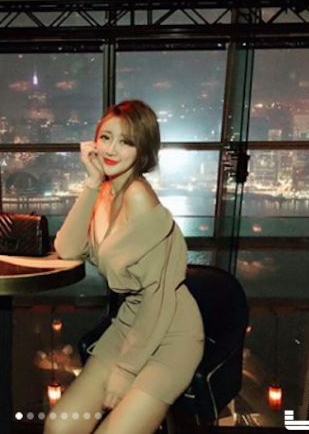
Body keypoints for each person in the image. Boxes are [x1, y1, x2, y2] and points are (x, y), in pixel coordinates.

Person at [45, 100, 205, 434]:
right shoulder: (104, 193)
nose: (111, 149)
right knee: (60, 428)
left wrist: (126, 371)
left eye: (126, 141)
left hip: (170, 332)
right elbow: (68, 248)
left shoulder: (139, 197)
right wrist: (91, 182)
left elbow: (159, 296)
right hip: (130, 325)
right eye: (106, 137)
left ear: (142, 149)